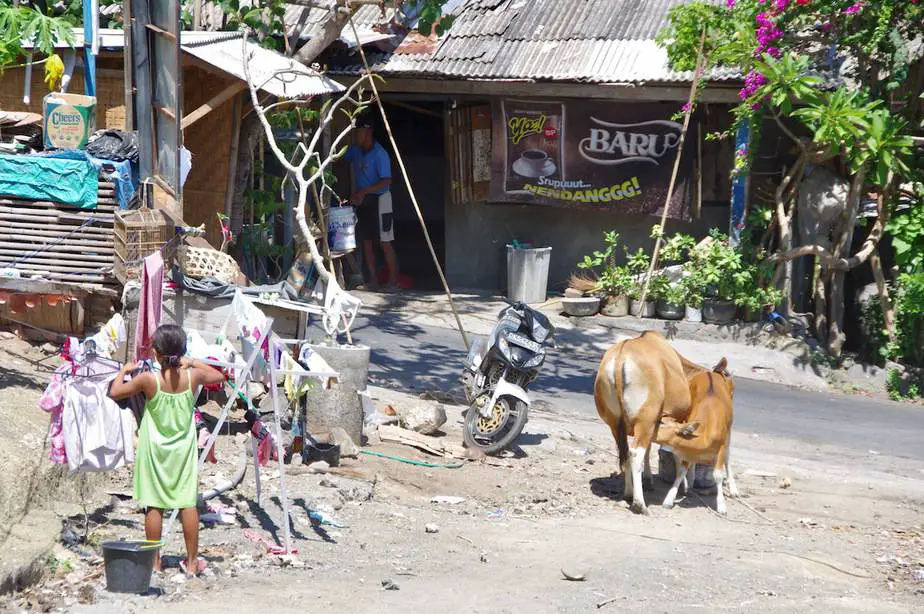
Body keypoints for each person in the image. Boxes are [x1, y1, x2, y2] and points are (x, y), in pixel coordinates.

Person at [109, 324, 226, 576]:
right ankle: (193, 563)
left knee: (154, 505)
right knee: (187, 504)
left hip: (154, 450)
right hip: (183, 449)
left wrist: (124, 371)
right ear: (181, 352)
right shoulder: (192, 376)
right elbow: (219, 377)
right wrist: (192, 361)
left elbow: (115, 391)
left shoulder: (147, 380)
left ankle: (155, 562)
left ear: (156, 353)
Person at [345, 120, 400, 290]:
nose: (355, 136)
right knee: (366, 241)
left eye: (358, 133)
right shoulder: (355, 151)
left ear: (368, 133)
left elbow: (386, 181)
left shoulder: (379, 154)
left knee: (384, 241)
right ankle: (373, 281)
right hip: (365, 201)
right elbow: (339, 161)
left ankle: (394, 281)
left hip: (381, 200)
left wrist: (364, 191)